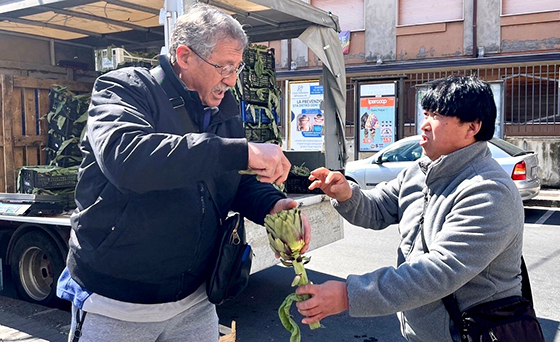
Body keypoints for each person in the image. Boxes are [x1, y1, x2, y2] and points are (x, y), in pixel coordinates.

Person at [56, 4, 311, 342]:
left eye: (237, 67)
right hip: (117, 305)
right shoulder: (124, 89)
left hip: (196, 302)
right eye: (223, 66)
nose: (231, 80)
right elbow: (129, 160)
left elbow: (229, 181)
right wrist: (240, 151)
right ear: (184, 55)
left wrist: (272, 206)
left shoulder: (223, 109)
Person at [297, 75, 525, 342]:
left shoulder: (488, 191)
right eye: (425, 113)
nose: (424, 125)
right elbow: (379, 208)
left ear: (472, 127)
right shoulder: (419, 171)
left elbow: (438, 271)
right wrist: (347, 193)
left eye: (437, 116)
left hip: (475, 333)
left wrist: (349, 294)